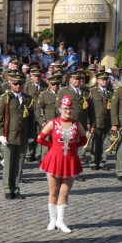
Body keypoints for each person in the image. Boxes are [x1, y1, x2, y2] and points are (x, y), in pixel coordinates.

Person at [36, 95, 86, 233]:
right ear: (60, 109)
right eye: (65, 108)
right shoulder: (53, 123)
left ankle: (61, 221)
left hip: (70, 160)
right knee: (53, 191)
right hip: (54, 160)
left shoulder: (76, 124)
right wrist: (52, 146)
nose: (68, 111)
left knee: (64, 192)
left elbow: (83, 139)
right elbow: (40, 139)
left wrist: (75, 147)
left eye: (70, 108)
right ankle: (52, 220)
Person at [0, 72, 36, 199]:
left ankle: (16, 188)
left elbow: (31, 119)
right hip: (9, 136)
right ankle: (8, 189)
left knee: (19, 164)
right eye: (15, 83)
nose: (18, 86)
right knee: (8, 164)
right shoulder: (5, 98)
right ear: (11, 84)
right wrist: (1, 135)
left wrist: (31, 134)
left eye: (21, 84)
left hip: (23, 136)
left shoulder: (28, 99)